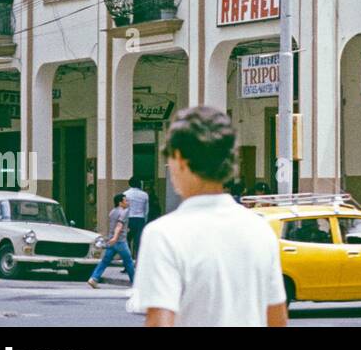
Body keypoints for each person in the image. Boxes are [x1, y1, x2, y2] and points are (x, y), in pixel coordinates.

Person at [127, 105, 286, 327]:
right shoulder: (259, 229)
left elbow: (160, 322)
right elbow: (277, 318)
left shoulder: (163, 234)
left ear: (180, 159)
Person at [88, 193, 135, 288]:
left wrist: (113, 237)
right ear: (120, 202)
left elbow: (115, 225)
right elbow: (119, 225)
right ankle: (135, 282)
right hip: (120, 241)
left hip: (111, 241)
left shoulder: (113, 212)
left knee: (105, 261)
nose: (127, 202)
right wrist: (116, 237)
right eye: (125, 200)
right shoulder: (124, 212)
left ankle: (93, 278)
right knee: (129, 261)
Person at [124, 178, 150, 256]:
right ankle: (138, 259)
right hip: (140, 219)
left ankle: (128, 258)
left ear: (129, 184)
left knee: (126, 239)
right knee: (138, 240)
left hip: (129, 219)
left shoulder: (125, 194)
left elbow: (124, 208)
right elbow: (146, 210)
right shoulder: (144, 195)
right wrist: (145, 220)